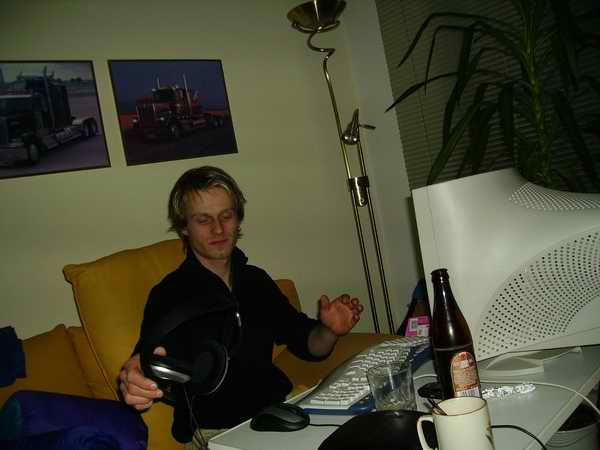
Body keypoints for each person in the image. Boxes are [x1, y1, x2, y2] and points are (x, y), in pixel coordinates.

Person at [119, 166, 363, 449]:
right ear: (184, 227)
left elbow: (308, 344)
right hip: (216, 433)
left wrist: (329, 330)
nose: (218, 229)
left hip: (279, 413)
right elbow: (148, 362)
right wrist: (138, 379)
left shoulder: (256, 281)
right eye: (203, 220)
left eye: (226, 216)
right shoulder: (169, 294)